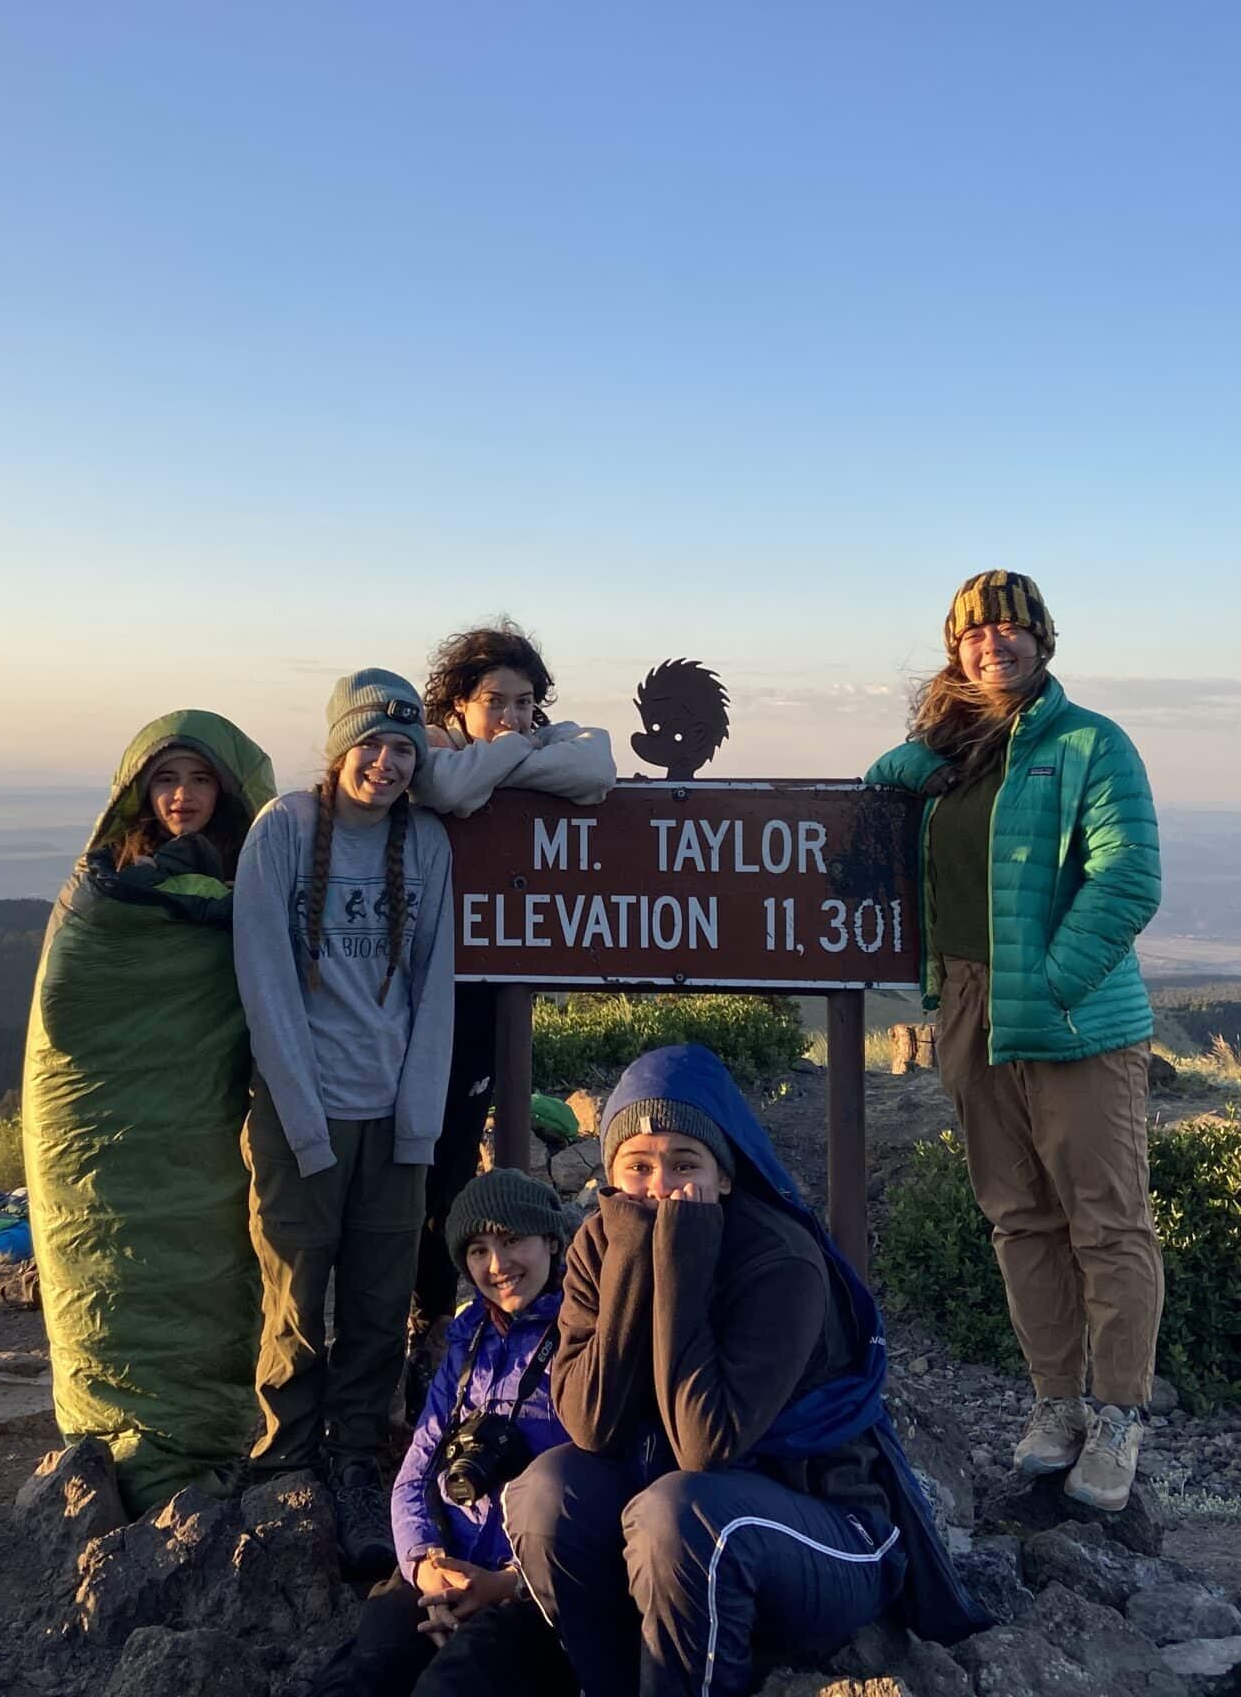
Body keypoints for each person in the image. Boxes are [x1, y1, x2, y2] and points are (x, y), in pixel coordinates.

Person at [503, 1044, 983, 1697]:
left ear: (725, 1176)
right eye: (637, 1167)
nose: (660, 1185)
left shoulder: (781, 1260)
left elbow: (705, 1443)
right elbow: (590, 1425)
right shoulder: (597, 1246)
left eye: (684, 1163)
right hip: (682, 1529)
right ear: (610, 1178)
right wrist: (633, 1260)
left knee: (685, 1515)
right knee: (546, 1492)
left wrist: (681, 1259)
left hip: (830, 1530)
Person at [864, 570, 1164, 1512]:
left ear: (1042, 640)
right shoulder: (956, 751)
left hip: (1073, 1018)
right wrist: (910, 762)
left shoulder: (1091, 744)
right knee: (1017, 1216)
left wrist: (1054, 982)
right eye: (975, 633)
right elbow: (883, 796)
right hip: (964, 1006)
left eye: (1011, 629)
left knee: (1106, 1221)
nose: (994, 644)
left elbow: (1128, 879)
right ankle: (1056, 1405)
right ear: (956, 648)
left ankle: (1118, 1416)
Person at [23, 712, 276, 1516]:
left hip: (203, 1136)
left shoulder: (265, 883)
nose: (183, 796)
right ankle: (110, 1430)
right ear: (138, 792)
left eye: (202, 780)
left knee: (207, 1260)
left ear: (232, 793)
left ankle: (198, 1431)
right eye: (166, 779)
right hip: (106, 1131)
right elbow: (68, 1011)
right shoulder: (102, 892)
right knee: (107, 1253)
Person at [233, 669, 456, 1576]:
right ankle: (286, 1452)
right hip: (299, 1108)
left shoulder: (429, 845)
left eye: (405, 748)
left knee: (376, 1296)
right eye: (372, 743)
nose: (388, 762)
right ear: (338, 748)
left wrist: (419, 1122)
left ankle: (357, 1458)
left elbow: (434, 988)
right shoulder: (281, 830)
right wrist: (304, 1114)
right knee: (294, 1292)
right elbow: (264, 980)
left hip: (392, 1110)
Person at [405, 620, 616, 1416]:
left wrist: (506, 749)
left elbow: (597, 767)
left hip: (490, 987)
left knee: (456, 1149)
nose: (514, 716)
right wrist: (511, 759)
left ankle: (437, 1319)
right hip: (425, 988)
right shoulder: (427, 745)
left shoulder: (518, 740)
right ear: (457, 703)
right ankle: (414, 1315)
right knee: (422, 1154)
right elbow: (451, 789)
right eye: (495, 701)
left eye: (527, 702)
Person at [310, 1170, 578, 1697]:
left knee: (455, 1683)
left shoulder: (582, 1339)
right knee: (365, 1674)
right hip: (443, 1566)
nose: (497, 1265)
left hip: (530, 1588)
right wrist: (426, 1565)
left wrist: (505, 1584)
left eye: (512, 1240)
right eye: (478, 1249)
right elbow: (416, 1472)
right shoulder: (465, 1341)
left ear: (551, 1240)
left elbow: (594, 1492)